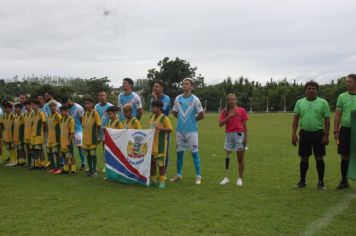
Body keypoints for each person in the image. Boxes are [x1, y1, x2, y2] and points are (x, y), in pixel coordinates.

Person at [292, 81, 330, 190]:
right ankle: (302, 181)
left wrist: (326, 135)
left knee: (319, 158)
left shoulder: (323, 103)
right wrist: (293, 134)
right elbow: (295, 120)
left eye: (313, 88)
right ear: (305, 90)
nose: (311, 90)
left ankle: (321, 182)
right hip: (304, 133)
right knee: (304, 159)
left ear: (317, 90)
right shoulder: (299, 102)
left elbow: (327, 120)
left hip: (318, 134)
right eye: (309, 88)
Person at [170, 78, 205, 185]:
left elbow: (201, 115)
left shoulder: (195, 99)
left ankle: (198, 176)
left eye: (187, 84)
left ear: (191, 87)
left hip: (192, 131)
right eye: (183, 84)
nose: (184, 85)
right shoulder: (177, 98)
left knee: (194, 153)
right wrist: (182, 120)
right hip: (180, 131)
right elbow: (175, 113)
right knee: (179, 153)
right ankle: (178, 175)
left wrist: (193, 120)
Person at [219, 94, 248, 187]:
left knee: (240, 158)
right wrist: (229, 116)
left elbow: (245, 124)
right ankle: (226, 177)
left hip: (239, 135)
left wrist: (246, 137)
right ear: (227, 101)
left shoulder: (241, 110)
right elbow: (220, 124)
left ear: (236, 100)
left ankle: (240, 178)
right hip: (228, 135)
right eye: (229, 100)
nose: (231, 101)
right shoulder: (224, 111)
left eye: (233, 99)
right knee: (227, 155)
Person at [334, 74, 356, 189]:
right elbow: (337, 116)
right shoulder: (341, 97)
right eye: (346, 82)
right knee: (344, 156)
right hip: (345, 130)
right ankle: (344, 181)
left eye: (350, 82)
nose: (347, 84)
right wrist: (335, 131)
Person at [148, 100, 173, 189]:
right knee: (152, 163)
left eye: (154, 108)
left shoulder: (164, 118)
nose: (152, 109)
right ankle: (153, 180)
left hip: (160, 145)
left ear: (159, 108)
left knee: (161, 164)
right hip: (152, 145)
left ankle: (162, 181)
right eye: (152, 107)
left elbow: (170, 129)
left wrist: (161, 128)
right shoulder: (151, 117)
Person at [151, 81, 171, 173]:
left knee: (164, 151)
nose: (154, 88)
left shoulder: (166, 98)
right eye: (154, 86)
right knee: (154, 151)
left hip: (163, 127)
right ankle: (153, 173)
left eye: (157, 86)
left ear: (162, 88)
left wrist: (155, 98)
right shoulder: (152, 99)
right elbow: (153, 112)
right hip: (154, 129)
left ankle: (164, 172)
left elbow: (161, 110)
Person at [62, 97, 86, 170]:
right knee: (69, 148)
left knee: (79, 147)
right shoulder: (66, 109)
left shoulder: (79, 107)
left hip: (77, 131)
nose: (65, 105)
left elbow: (82, 120)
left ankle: (83, 163)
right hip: (68, 132)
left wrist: (81, 130)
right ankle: (69, 163)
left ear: (69, 101)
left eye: (65, 103)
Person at [82, 97, 101, 177]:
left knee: (93, 154)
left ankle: (94, 171)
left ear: (92, 104)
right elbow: (83, 125)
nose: (86, 105)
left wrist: (97, 136)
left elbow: (98, 125)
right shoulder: (85, 114)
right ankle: (90, 170)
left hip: (93, 138)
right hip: (86, 138)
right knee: (88, 155)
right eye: (85, 104)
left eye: (88, 103)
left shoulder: (95, 113)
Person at [94, 91, 113, 172]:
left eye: (103, 95)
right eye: (100, 95)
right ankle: (93, 166)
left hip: (107, 130)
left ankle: (106, 166)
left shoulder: (110, 106)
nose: (102, 97)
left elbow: (114, 118)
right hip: (98, 130)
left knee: (105, 149)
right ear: (98, 97)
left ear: (106, 96)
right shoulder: (96, 106)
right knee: (93, 147)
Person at [59, 105, 76, 175]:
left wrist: (69, 142)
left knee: (71, 156)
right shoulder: (62, 119)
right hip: (63, 141)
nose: (61, 113)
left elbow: (72, 133)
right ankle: (65, 169)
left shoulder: (71, 120)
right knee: (65, 156)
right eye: (60, 112)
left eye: (62, 111)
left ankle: (73, 170)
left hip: (69, 142)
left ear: (66, 111)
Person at [30, 100, 46, 169]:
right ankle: (36, 164)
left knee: (40, 149)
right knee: (34, 150)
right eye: (32, 105)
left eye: (33, 105)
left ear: (37, 105)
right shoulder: (33, 113)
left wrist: (44, 134)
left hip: (39, 135)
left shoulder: (41, 113)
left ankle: (42, 164)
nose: (32, 107)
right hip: (33, 135)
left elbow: (44, 123)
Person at [46, 101, 62, 172]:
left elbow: (62, 127)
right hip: (49, 138)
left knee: (56, 153)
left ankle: (58, 168)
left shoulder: (58, 116)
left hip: (56, 138)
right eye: (51, 106)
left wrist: (60, 137)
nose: (52, 108)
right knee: (49, 153)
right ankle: (53, 168)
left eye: (54, 106)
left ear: (56, 107)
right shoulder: (49, 116)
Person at [2, 101, 16, 166]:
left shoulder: (13, 116)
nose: (5, 109)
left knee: (12, 147)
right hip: (6, 134)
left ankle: (14, 160)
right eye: (4, 108)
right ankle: (11, 160)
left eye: (7, 108)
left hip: (12, 135)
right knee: (9, 148)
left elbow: (15, 125)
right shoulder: (4, 116)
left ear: (10, 108)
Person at [23, 100, 34, 166]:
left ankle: (33, 163)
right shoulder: (24, 113)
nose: (26, 106)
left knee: (32, 149)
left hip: (31, 134)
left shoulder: (33, 113)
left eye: (27, 105)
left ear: (30, 105)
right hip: (26, 134)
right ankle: (29, 162)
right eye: (25, 105)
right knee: (27, 149)